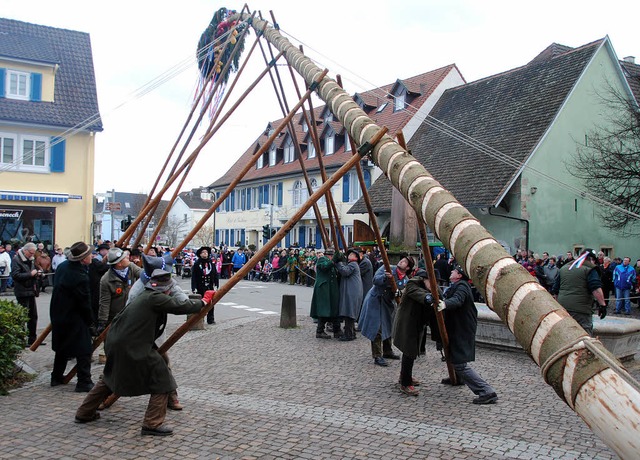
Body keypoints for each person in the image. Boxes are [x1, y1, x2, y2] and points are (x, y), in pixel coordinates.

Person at [74, 269, 214, 436]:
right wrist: (204, 301)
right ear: (165, 288)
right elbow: (182, 306)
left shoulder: (145, 295)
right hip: (131, 346)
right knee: (162, 379)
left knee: (110, 377)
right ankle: (152, 423)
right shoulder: (156, 298)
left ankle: (84, 412)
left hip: (117, 342)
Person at [437, 265, 498, 404]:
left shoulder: (462, 286)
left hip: (462, 328)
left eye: (453, 271)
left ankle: (486, 391)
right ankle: (457, 378)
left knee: (460, 363)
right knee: (453, 356)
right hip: (459, 327)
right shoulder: (458, 285)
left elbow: (457, 300)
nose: (451, 272)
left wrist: (445, 304)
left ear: (458, 275)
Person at [50, 242, 95, 392]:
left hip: (58, 313)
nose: (92, 256)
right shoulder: (80, 276)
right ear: (82, 259)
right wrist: (90, 322)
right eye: (90, 255)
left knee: (62, 347)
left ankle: (56, 377)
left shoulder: (63, 266)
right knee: (84, 349)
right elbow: (84, 302)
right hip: (74, 316)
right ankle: (84, 381)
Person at [359, 256, 415, 367]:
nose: (401, 261)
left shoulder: (406, 281)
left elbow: (402, 294)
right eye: (402, 259)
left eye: (404, 262)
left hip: (387, 303)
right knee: (377, 328)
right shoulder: (387, 268)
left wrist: (399, 293)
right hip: (375, 300)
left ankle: (387, 351)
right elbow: (375, 280)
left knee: (387, 326)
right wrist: (385, 277)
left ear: (407, 268)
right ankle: (377, 355)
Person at [393, 269, 438, 396]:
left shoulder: (431, 287)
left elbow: (438, 295)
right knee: (409, 351)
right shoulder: (413, 283)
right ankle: (405, 383)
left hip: (417, 323)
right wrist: (429, 296)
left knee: (411, 351)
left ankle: (405, 376)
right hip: (407, 322)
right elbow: (419, 294)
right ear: (425, 279)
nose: (434, 284)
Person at [552, 249, 607, 336]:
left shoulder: (565, 268)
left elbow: (555, 290)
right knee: (584, 335)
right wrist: (602, 305)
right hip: (581, 309)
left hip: (563, 307)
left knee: (565, 334)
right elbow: (596, 288)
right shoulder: (590, 269)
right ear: (591, 259)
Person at [97, 248, 142, 330]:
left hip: (130, 313)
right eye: (125, 257)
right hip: (115, 317)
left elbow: (142, 274)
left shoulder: (131, 267)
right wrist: (102, 321)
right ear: (119, 264)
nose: (128, 257)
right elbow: (104, 302)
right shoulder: (106, 280)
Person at [10, 242, 41, 346]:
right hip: (22, 291)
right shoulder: (16, 260)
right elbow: (15, 275)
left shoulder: (30, 260)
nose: (32, 255)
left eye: (33, 253)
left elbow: (33, 270)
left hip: (31, 290)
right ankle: (21, 340)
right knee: (23, 316)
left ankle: (33, 339)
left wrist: (38, 273)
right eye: (31, 253)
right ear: (25, 250)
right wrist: (30, 274)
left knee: (33, 316)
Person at [310, 249, 341, 339]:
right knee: (323, 310)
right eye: (331, 256)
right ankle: (320, 331)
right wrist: (334, 261)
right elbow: (325, 267)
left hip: (330, 289)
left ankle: (336, 330)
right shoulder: (322, 260)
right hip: (323, 289)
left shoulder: (331, 262)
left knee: (333, 309)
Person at [335, 249, 363, 341]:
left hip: (352, 293)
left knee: (349, 313)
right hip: (352, 292)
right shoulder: (353, 264)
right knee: (349, 312)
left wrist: (338, 263)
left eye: (352, 254)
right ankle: (351, 333)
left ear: (356, 258)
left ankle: (349, 334)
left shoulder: (353, 264)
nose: (349, 255)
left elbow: (345, 272)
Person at [191, 246, 218, 324]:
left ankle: (210, 319)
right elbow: (194, 277)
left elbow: (215, 274)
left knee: (210, 303)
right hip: (200, 286)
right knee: (200, 303)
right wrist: (194, 287)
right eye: (203, 252)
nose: (205, 254)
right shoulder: (197, 264)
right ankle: (199, 320)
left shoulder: (211, 263)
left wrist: (216, 284)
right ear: (200, 254)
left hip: (209, 286)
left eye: (206, 252)